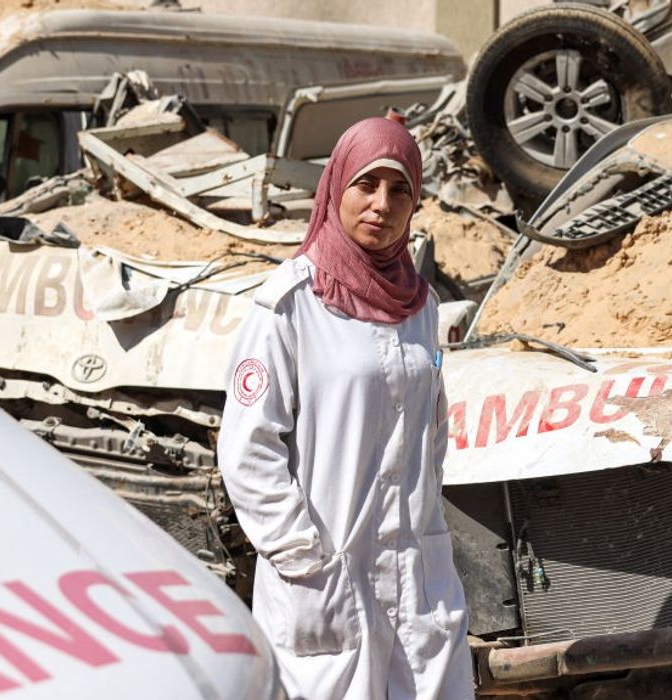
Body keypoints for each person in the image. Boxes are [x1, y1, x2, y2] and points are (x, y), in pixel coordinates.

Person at [216, 117, 474, 699]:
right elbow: (247, 452)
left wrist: (424, 538)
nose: (382, 204)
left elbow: (430, 434)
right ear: (336, 188)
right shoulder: (288, 305)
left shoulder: (422, 306)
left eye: (399, 189)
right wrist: (306, 560)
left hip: (418, 580)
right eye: (366, 184)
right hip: (325, 577)